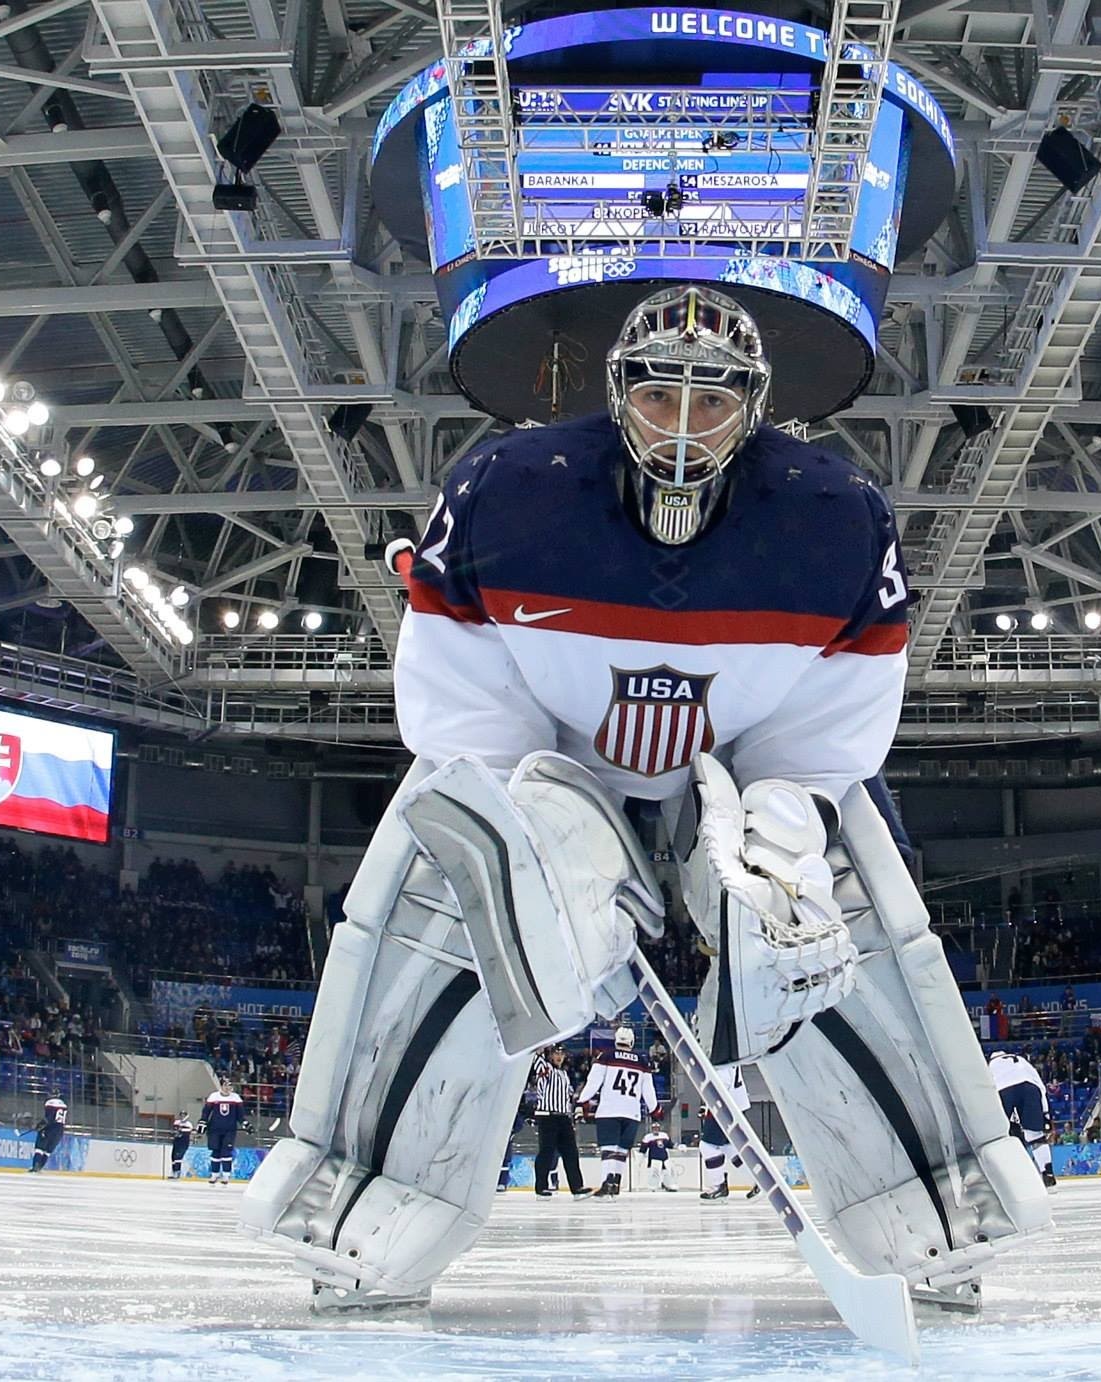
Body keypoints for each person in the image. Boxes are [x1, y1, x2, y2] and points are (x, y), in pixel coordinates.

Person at [242, 285, 1045, 1308]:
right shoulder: (504, 488)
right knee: (456, 889)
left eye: (708, 401)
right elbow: (459, 707)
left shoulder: (835, 517)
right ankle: (366, 1215)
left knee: (828, 918)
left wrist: (782, 828)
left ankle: (930, 1220)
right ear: (617, 392)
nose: (680, 424)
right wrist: (527, 839)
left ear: (750, 406)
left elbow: (831, 726)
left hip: (742, 763)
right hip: (548, 755)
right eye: (660, 395)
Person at [576, 1026, 659, 1198]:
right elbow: (648, 1090)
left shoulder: (606, 1056)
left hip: (609, 1110)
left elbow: (594, 1081)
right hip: (632, 1112)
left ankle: (607, 1182)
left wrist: (582, 1101)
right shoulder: (642, 1061)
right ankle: (616, 1183)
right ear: (631, 1041)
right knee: (621, 1149)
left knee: (609, 1148)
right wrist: (655, 1109)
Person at [987, 1048, 1056, 1188]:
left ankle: (1009, 1176)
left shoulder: (989, 1066)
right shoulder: (1021, 1060)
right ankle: (1048, 1173)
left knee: (1001, 1134)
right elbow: (1040, 1087)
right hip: (1029, 1087)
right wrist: (1046, 1114)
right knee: (1036, 1136)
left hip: (1002, 1090)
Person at [529, 1045, 588, 1199]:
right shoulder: (546, 1067)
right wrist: (542, 1046)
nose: (559, 1057)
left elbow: (569, 1095)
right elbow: (535, 1057)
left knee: (571, 1152)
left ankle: (577, 1187)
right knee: (546, 1152)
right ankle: (541, 1188)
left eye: (562, 1054)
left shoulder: (564, 1074)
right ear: (550, 1055)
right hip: (548, 1116)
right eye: (556, 1053)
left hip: (563, 1117)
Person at [699, 1061, 751, 1201]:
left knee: (707, 1146)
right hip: (737, 1105)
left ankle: (718, 1187)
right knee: (729, 1147)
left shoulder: (716, 1053)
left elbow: (722, 1082)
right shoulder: (727, 1049)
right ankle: (757, 1181)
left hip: (725, 1106)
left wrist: (712, 1107)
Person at [202, 1077, 245, 1185]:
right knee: (215, 1151)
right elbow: (206, 1112)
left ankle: (226, 1175)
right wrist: (202, 1122)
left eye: (230, 1085)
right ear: (221, 1086)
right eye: (225, 1085)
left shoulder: (236, 1098)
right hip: (214, 1129)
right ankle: (214, 1174)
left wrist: (245, 1124)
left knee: (226, 1152)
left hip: (230, 1130)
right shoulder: (214, 1096)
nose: (228, 1088)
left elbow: (240, 1115)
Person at [29, 1095, 68, 1173]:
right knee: (47, 1151)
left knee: (39, 1148)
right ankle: (40, 1167)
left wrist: (39, 1126)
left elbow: (48, 1119)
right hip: (59, 1131)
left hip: (49, 1129)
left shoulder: (50, 1103)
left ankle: (35, 1166)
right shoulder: (64, 1105)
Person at [640, 1125, 676, 1192]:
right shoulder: (648, 1137)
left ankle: (668, 1185)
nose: (656, 1129)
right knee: (655, 1173)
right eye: (654, 1128)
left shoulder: (664, 1135)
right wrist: (641, 1158)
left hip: (665, 1158)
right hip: (654, 1158)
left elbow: (670, 1145)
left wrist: (677, 1146)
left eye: (657, 1128)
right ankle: (653, 1186)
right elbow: (643, 1148)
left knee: (667, 1172)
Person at [170, 1110, 194, 1180]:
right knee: (173, 1157)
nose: (182, 1116)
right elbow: (174, 1130)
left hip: (183, 1142)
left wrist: (180, 1130)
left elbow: (187, 1131)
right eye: (181, 1115)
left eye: (183, 1115)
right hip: (176, 1141)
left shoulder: (189, 1124)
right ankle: (174, 1172)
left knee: (178, 1157)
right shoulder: (177, 1122)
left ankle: (177, 1173)